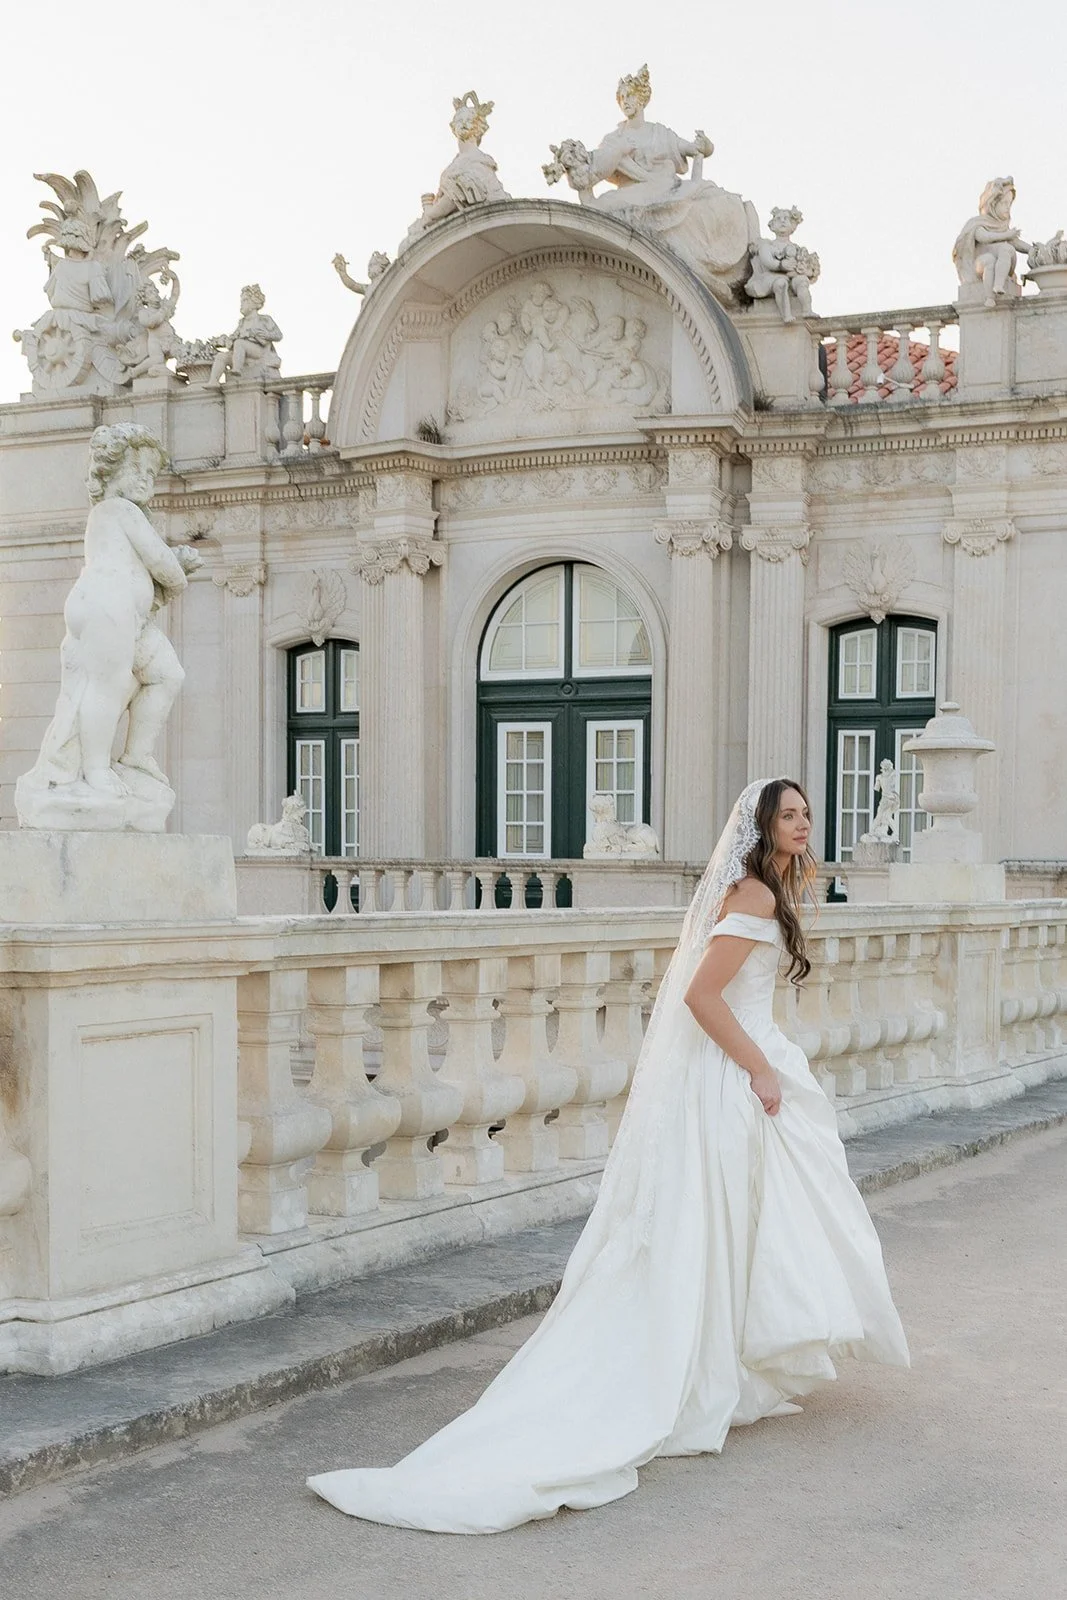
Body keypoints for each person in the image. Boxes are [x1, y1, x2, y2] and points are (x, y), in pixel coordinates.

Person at [308, 778, 910, 1534]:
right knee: (724, 1219)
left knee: (740, 1220)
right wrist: (758, 1067)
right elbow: (701, 996)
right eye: (786, 816)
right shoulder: (754, 898)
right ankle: (702, 1374)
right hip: (733, 1073)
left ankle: (721, 1366)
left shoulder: (768, 892)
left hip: (739, 1067)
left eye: (803, 814)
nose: (800, 824)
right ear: (758, 830)